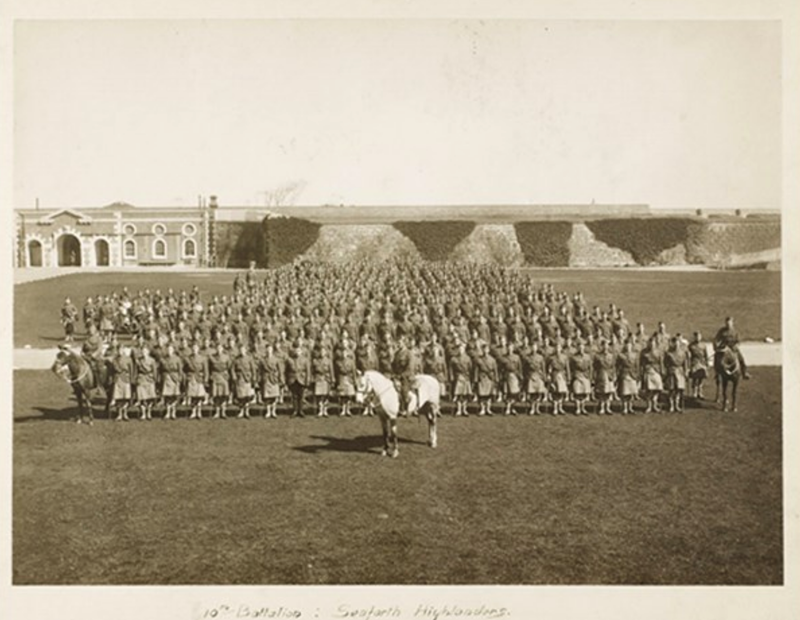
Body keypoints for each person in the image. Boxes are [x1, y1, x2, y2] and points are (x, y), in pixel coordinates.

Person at [232, 343, 257, 419]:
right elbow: (232, 369)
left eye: (243, 350)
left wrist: (253, 378)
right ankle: (241, 411)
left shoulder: (249, 358)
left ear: (245, 350)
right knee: (241, 396)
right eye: (240, 350)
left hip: (247, 378)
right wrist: (234, 377)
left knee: (248, 396)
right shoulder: (236, 359)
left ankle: (247, 412)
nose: (242, 351)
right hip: (240, 379)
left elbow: (253, 369)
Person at [285, 343, 311, 418]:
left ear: (301, 352)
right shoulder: (289, 359)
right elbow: (286, 371)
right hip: (292, 379)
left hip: (301, 379)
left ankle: (301, 410)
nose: (297, 352)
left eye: (299, 351)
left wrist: (307, 381)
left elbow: (308, 371)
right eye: (296, 351)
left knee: (301, 396)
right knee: (294, 396)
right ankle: (295, 410)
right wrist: (287, 381)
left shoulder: (305, 360)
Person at [664, 336, 689, 413]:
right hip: (671, 372)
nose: (676, 345)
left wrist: (686, 371)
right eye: (675, 343)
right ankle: (671, 405)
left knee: (679, 390)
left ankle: (677, 405)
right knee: (671, 390)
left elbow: (685, 363)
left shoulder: (683, 353)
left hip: (680, 372)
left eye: (678, 343)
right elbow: (665, 363)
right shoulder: (668, 353)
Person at [184, 341, 209, 420]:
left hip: (199, 378)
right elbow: (185, 369)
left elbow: (206, 370)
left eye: (196, 348)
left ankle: (199, 412)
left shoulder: (203, 358)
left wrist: (205, 379)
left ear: (198, 349)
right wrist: (187, 376)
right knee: (193, 396)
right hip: (191, 378)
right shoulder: (188, 358)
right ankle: (193, 412)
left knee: (199, 396)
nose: (194, 349)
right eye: (193, 348)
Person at [639, 336, 664, 413]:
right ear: (648, 344)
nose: (652, 345)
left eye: (653, 343)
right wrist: (641, 373)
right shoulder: (643, 352)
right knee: (648, 390)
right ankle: (649, 406)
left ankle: (655, 405)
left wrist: (662, 371)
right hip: (648, 371)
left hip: (656, 371)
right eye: (650, 343)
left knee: (657, 389)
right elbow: (641, 363)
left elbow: (661, 362)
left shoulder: (659, 351)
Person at [110, 345, 135, 421]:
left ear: (124, 350)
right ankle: (119, 414)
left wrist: (131, 379)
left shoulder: (128, 359)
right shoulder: (115, 359)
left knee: (126, 398)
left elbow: (131, 370)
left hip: (126, 379)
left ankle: (125, 414)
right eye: (119, 350)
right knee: (118, 398)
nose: (120, 351)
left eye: (122, 350)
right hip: (118, 379)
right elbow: (114, 368)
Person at [522, 341, 547, 415]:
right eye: (532, 347)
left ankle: (537, 408)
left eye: (535, 347)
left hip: (539, 375)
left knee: (538, 394)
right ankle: (532, 408)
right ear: (531, 348)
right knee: (532, 394)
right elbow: (525, 368)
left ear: (537, 348)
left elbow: (543, 368)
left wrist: (544, 377)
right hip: (531, 375)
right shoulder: (528, 357)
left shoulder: (540, 357)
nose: (534, 349)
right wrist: (526, 376)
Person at [159, 343, 184, 420]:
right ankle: (167, 412)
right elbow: (160, 369)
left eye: (171, 349)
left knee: (174, 396)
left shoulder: (177, 359)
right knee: (167, 396)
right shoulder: (164, 359)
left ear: (173, 350)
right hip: (167, 378)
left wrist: (179, 378)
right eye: (168, 349)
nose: (169, 351)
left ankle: (173, 413)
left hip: (174, 378)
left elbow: (180, 370)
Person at [208, 342, 232, 419]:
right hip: (215, 376)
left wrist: (226, 374)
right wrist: (211, 376)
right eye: (217, 348)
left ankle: (223, 412)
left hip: (223, 376)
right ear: (215, 349)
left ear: (222, 349)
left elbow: (229, 366)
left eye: (220, 348)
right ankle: (217, 412)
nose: (219, 349)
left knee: (224, 395)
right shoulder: (212, 357)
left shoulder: (226, 357)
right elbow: (209, 367)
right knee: (216, 396)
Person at [593, 339, 617, 415]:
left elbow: (613, 366)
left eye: (607, 345)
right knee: (601, 392)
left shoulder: (611, 355)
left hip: (609, 374)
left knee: (608, 393)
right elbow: (595, 367)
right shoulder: (597, 356)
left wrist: (614, 375)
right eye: (604, 345)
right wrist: (595, 376)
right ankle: (602, 408)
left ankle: (608, 408)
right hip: (601, 374)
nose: (605, 347)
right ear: (602, 346)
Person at [135, 345, 158, 421]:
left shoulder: (152, 360)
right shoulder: (139, 361)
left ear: (148, 352)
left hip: (149, 379)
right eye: (143, 351)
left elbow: (154, 371)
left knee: (150, 398)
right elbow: (136, 370)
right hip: (141, 379)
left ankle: (149, 413)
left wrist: (154, 379)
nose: (144, 353)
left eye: (145, 351)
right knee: (142, 397)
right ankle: (143, 413)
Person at [473, 343, 498, 416]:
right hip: (482, 378)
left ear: (489, 350)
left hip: (489, 378)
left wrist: (496, 378)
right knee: (481, 395)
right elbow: (476, 370)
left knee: (489, 395)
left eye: (486, 349)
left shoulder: (492, 360)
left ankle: (488, 409)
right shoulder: (479, 359)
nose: (485, 351)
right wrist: (476, 379)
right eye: (484, 349)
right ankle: (482, 409)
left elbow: (495, 370)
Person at [449, 341, 472, 416]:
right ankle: (458, 409)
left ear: (464, 349)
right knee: (458, 395)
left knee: (465, 395)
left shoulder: (468, 358)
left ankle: (464, 409)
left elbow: (470, 368)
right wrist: (452, 376)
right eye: (459, 349)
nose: (461, 350)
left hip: (465, 377)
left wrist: (469, 376)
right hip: (457, 377)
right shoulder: (453, 359)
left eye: (462, 349)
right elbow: (450, 369)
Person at [569, 341, 593, 415]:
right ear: (577, 348)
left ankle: (583, 408)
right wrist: (573, 376)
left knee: (584, 393)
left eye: (582, 347)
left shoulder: (588, 356)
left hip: (585, 376)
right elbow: (571, 368)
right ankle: (577, 408)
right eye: (580, 348)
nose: (581, 349)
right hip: (577, 375)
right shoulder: (573, 357)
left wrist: (590, 376)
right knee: (577, 393)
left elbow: (590, 367)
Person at [688, 332, 710, 400]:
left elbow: (706, 355)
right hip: (694, 363)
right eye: (696, 336)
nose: (698, 338)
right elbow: (688, 356)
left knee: (701, 378)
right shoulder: (691, 346)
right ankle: (694, 392)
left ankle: (700, 393)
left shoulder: (703, 345)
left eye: (699, 336)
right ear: (694, 337)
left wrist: (707, 363)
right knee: (695, 378)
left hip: (702, 363)